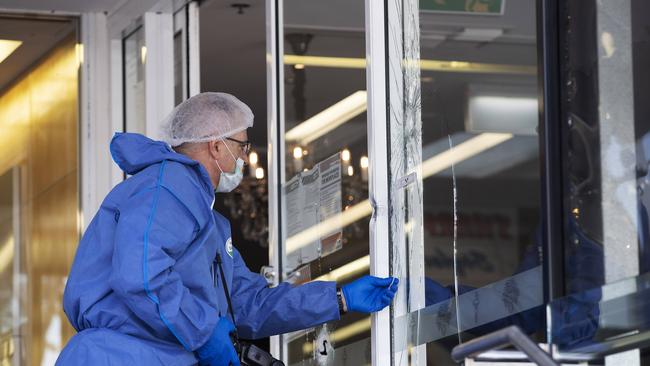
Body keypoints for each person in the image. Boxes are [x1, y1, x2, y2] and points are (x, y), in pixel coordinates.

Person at [56, 92, 399, 366]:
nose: (245, 158)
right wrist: (205, 333)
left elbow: (248, 305)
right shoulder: (167, 187)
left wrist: (338, 298)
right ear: (216, 146)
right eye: (242, 146)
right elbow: (142, 276)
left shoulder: (210, 223)